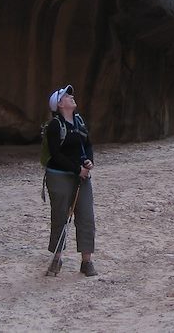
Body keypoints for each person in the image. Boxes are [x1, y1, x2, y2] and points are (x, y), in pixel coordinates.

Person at [44, 84, 97, 277]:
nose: (72, 97)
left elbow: (87, 145)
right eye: (67, 96)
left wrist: (89, 162)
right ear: (59, 104)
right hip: (59, 176)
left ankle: (87, 261)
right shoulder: (55, 126)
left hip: (81, 175)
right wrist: (77, 169)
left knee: (86, 217)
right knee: (60, 217)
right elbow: (55, 154)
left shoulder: (79, 122)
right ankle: (57, 258)